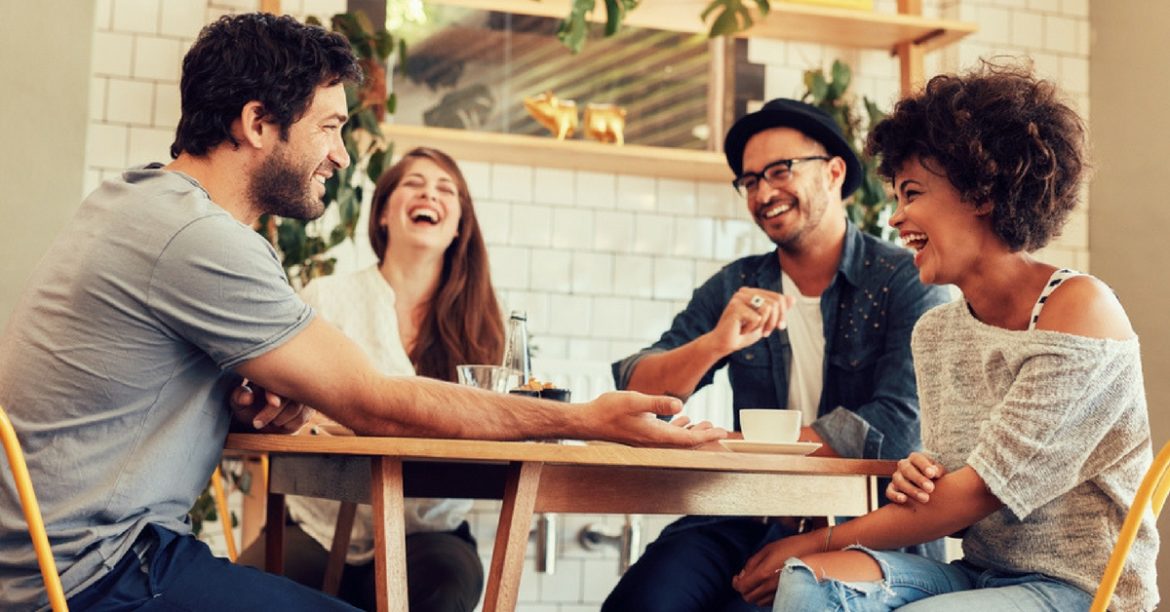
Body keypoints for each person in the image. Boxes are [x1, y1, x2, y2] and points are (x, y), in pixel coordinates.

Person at [0, 14, 723, 611]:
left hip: (61, 554)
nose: (343, 157)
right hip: (95, 572)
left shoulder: (136, 203)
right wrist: (583, 420)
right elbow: (376, 404)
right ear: (257, 122)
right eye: (329, 128)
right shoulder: (201, 239)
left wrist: (241, 398)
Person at [737, 64, 1159, 612]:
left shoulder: (1079, 309)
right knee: (807, 580)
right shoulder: (937, 331)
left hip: (1078, 590)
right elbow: (947, 484)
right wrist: (920, 474)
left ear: (981, 190)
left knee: (819, 563)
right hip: (977, 573)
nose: (895, 217)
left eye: (911, 193)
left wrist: (814, 539)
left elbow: (976, 495)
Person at [603, 98, 950, 612]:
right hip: (740, 509)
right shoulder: (738, 284)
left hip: (862, 527)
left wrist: (744, 447)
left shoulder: (905, 280)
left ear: (834, 173)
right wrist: (715, 342)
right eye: (749, 181)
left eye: (780, 171)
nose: (763, 193)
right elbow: (639, 387)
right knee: (640, 603)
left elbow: (899, 425)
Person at [236, 147, 500, 611]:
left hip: (429, 532)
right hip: (316, 522)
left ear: (460, 225)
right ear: (382, 214)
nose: (429, 195)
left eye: (446, 190)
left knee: (446, 584)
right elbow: (286, 412)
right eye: (414, 184)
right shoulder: (327, 297)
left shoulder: (484, 326)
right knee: (244, 593)